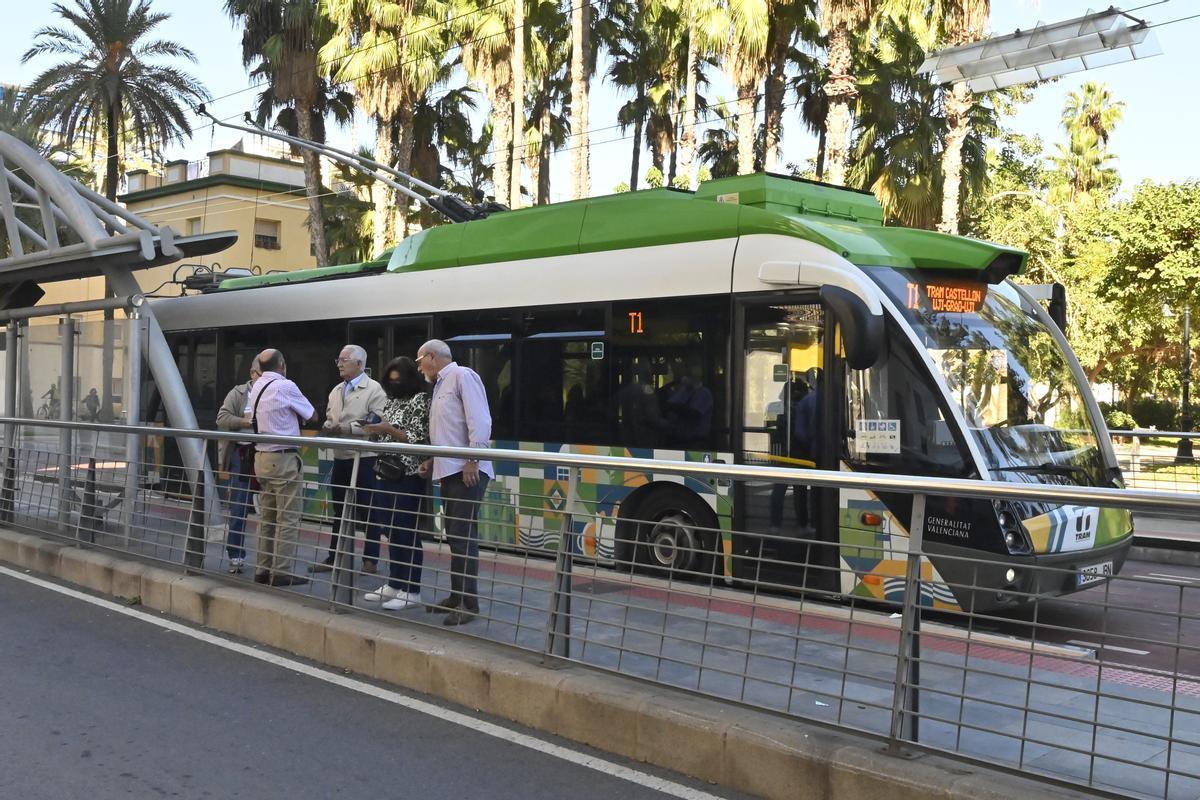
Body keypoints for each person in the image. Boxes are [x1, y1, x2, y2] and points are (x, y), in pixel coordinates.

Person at [416, 339, 493, 626]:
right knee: (456, 535)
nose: (419, 365)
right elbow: (448, 431)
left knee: (462, 536)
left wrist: (473, 458)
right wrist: (434, 460)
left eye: (420, 359)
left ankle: (468, 603)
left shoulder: (462, 376)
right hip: (450, 469)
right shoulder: (439, 385)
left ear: (432, 357)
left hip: (466, 470)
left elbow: (480, 420)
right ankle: (457, 595)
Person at [361, 357, 431, 610]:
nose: (394, 385)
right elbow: (387, 432)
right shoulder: (390, 401)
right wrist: (375, 431)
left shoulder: (421, 400)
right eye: (390, 380)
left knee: (406, 530)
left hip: (408, 474)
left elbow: (415, 437)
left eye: (397, 379)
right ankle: (395, 582)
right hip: (384, 470)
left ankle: (412, 589)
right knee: (389, 528)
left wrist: (387, 429)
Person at [312, 344, 388, 574]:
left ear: (360, 364)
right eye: (339, 359)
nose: (340, 363)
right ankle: (336, 556)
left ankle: (370, 559)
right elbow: (329, 417)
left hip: (364, 456)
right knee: (340, 510)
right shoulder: (336, 390)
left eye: (344, 359)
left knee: (368, 509)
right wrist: (329, 426)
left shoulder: (374, 389)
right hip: (341, 456)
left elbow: (378, 422)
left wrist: (347, 429)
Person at [244, 349, 317, 587]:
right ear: (282, 364)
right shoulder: (286, 386)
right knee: (288, 519)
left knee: (267, 517)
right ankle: (282, 572)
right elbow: (312, 415)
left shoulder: (256, 388)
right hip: (283, 460)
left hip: (261, 459)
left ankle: (262, 569)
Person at [216, 363, 261, 574]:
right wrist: (246, 422)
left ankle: (270, 561)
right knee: (239, 507)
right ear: (252, 373)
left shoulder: (278, 389)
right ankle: (235, 555)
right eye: (263, 373)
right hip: (243, 455)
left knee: (271, 510)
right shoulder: (239, 392)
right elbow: (222, 418)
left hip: (269, 454)